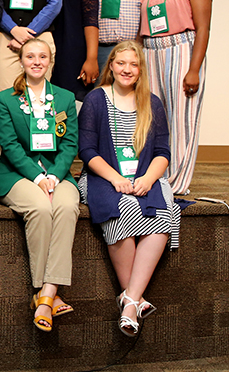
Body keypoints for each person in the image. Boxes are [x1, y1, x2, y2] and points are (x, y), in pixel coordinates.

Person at [77, 41, 190, 337]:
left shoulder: (151, 102)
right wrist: (115, 178)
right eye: (121, 63)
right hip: (104, 176)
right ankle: (135, 300)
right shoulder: (95, 100)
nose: (127, 69)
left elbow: (163, 152)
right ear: (111, 65)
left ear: (140, 70)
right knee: (122, 208)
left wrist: (150, 179)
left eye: (134, 64)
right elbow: (87, 150)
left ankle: (128, 301)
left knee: (163, 215)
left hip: (144, 177)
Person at [0, 38, 80, 333]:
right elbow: (10, 145)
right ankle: (48, 295)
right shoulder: (6, 99)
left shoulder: (65, 99)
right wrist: (38, 177)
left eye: (43, 56)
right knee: (42, 208)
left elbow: (69, 143)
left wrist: (54, 175)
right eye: (30, 56)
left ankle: (46, 294)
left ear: (50, 61)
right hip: (18, 175)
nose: (37, 61)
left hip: (58, 173)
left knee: (67, 205)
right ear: (21, 60)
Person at [139, 0, 211, 195]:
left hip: (180, 50)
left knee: (181, 118)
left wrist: (194, 69)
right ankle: (155, 175)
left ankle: (176, 181)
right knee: (153, 118)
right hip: (150, 53)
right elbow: (143, 28)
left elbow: (203, 29)